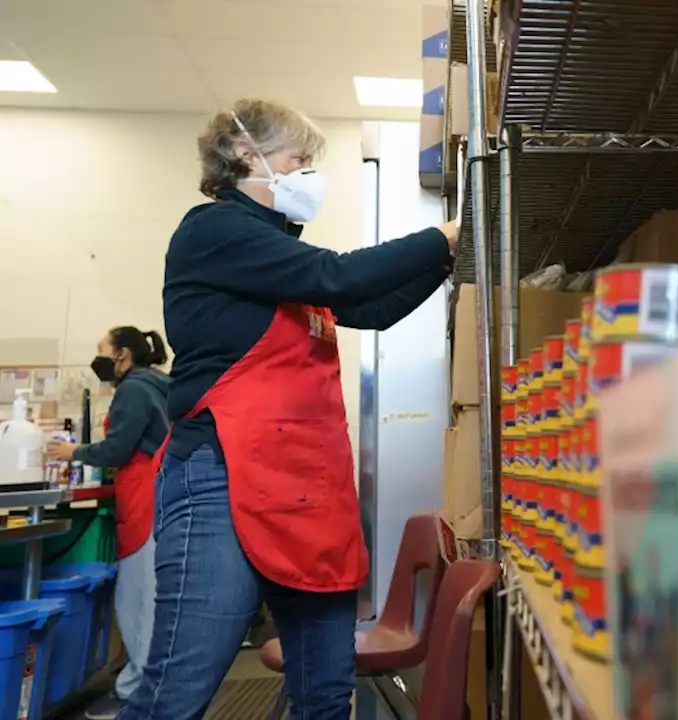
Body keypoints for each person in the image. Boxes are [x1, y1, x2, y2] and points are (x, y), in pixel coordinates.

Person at [117, 98, 457, 720]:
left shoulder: (276, 265)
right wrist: (443, 234)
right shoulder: (215, 230)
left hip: (306, 490)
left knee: (326, 694)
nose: (308, 176)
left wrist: (448, 261)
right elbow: (338, 277)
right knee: (177, 690)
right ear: (248, 157)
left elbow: (371, 309)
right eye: (299, 160)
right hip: (225, 477)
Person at [46, 327, 171, 720]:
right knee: (148, 602)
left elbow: (117, 448)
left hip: (143, 502)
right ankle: (143, 687)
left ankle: (137, 694)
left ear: (122, 355)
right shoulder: (159, 384)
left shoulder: (134, 389)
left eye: (102, 351)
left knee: (137, 603)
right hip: (157, 498)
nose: (97, 359)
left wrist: (73, 451)